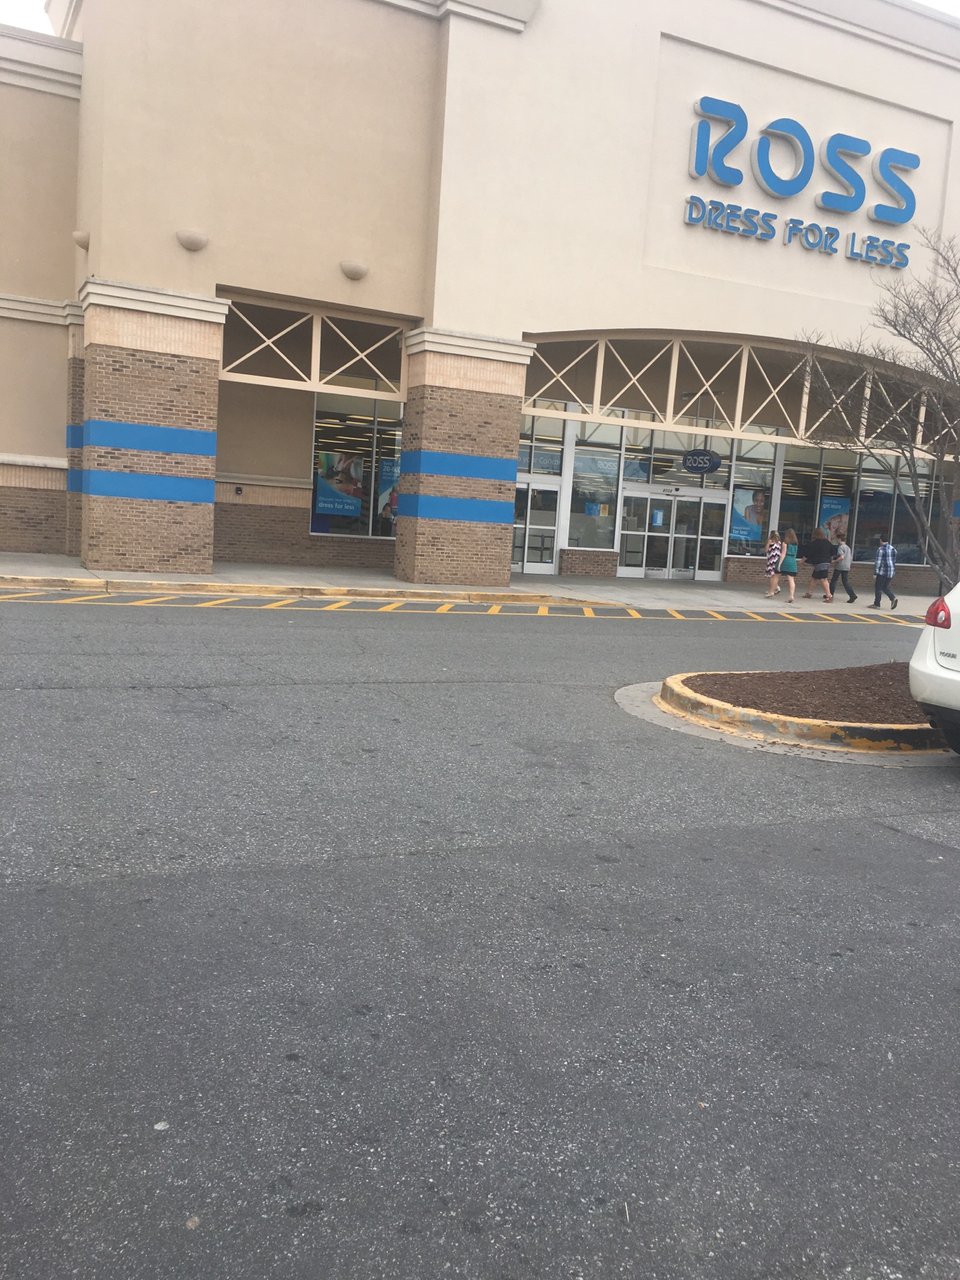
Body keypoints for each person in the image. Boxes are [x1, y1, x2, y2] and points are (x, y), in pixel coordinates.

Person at [801, 527, 836, 602]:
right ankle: (809, 593)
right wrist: (830, 560)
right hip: (826, 562)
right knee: (814, 578)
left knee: (823, 579)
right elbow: (833, 551)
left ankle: (829, 596)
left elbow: (808, 553)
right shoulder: (827, 542)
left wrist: (802, 561)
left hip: (819, 563)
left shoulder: (814, 543)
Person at [869, 535, 898, 609]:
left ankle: (877, 604)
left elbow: (878, 562)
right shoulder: (893, 549)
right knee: (884, 587)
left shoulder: (880, 549)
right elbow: (894, 560)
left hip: (882, 572)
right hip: (890, 572)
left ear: (881, 540)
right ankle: (892, 598)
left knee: (878, 588)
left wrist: (875, 573)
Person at [828, 535, 857, 604]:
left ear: (839, 539)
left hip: (840, 566)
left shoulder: (841, 547)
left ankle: (830, 594)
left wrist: (834, 561)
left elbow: (842, 557)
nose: (837, 541)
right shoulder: (848, 548)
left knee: (834, 580)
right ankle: (852, 595)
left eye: (837, 539)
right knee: (845, 581)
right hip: (846, 566)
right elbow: (850, 557)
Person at [777, 528, 799, 603]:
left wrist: (779, 564)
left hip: (787, 559)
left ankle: (775, 588)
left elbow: (783, 554)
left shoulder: (785, 543)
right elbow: (795, 554)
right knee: (791, 579)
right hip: (793, 560)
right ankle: (791, 595)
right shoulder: (795, 544)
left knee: (778, 575)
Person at [764, 530, 783, 597]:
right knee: (774, 576)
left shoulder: (770, 541)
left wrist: (768, 544)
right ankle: (775, 588)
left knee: (772, 576)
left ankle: (772, 590)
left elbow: (766, 550)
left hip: (772, 560)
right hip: (777, 560)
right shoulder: (779, 543)